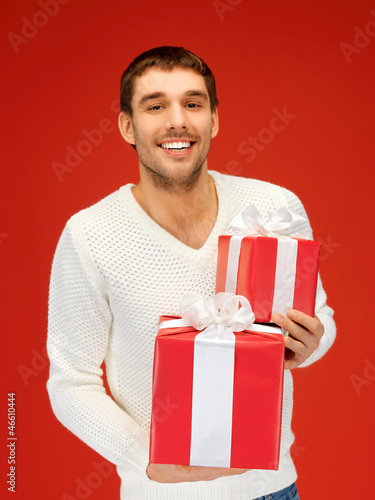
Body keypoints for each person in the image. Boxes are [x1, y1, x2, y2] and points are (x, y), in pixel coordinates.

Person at [46, 46, 336, 500]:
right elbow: (70, 381)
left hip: (273, 489)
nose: (176, 120)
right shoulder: (91, 234)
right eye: (156, 105)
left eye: (193, 104)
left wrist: (313, 342)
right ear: (128, 125)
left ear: (214, 120)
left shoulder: (275, 207)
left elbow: (320, 320)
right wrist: (146, 458)